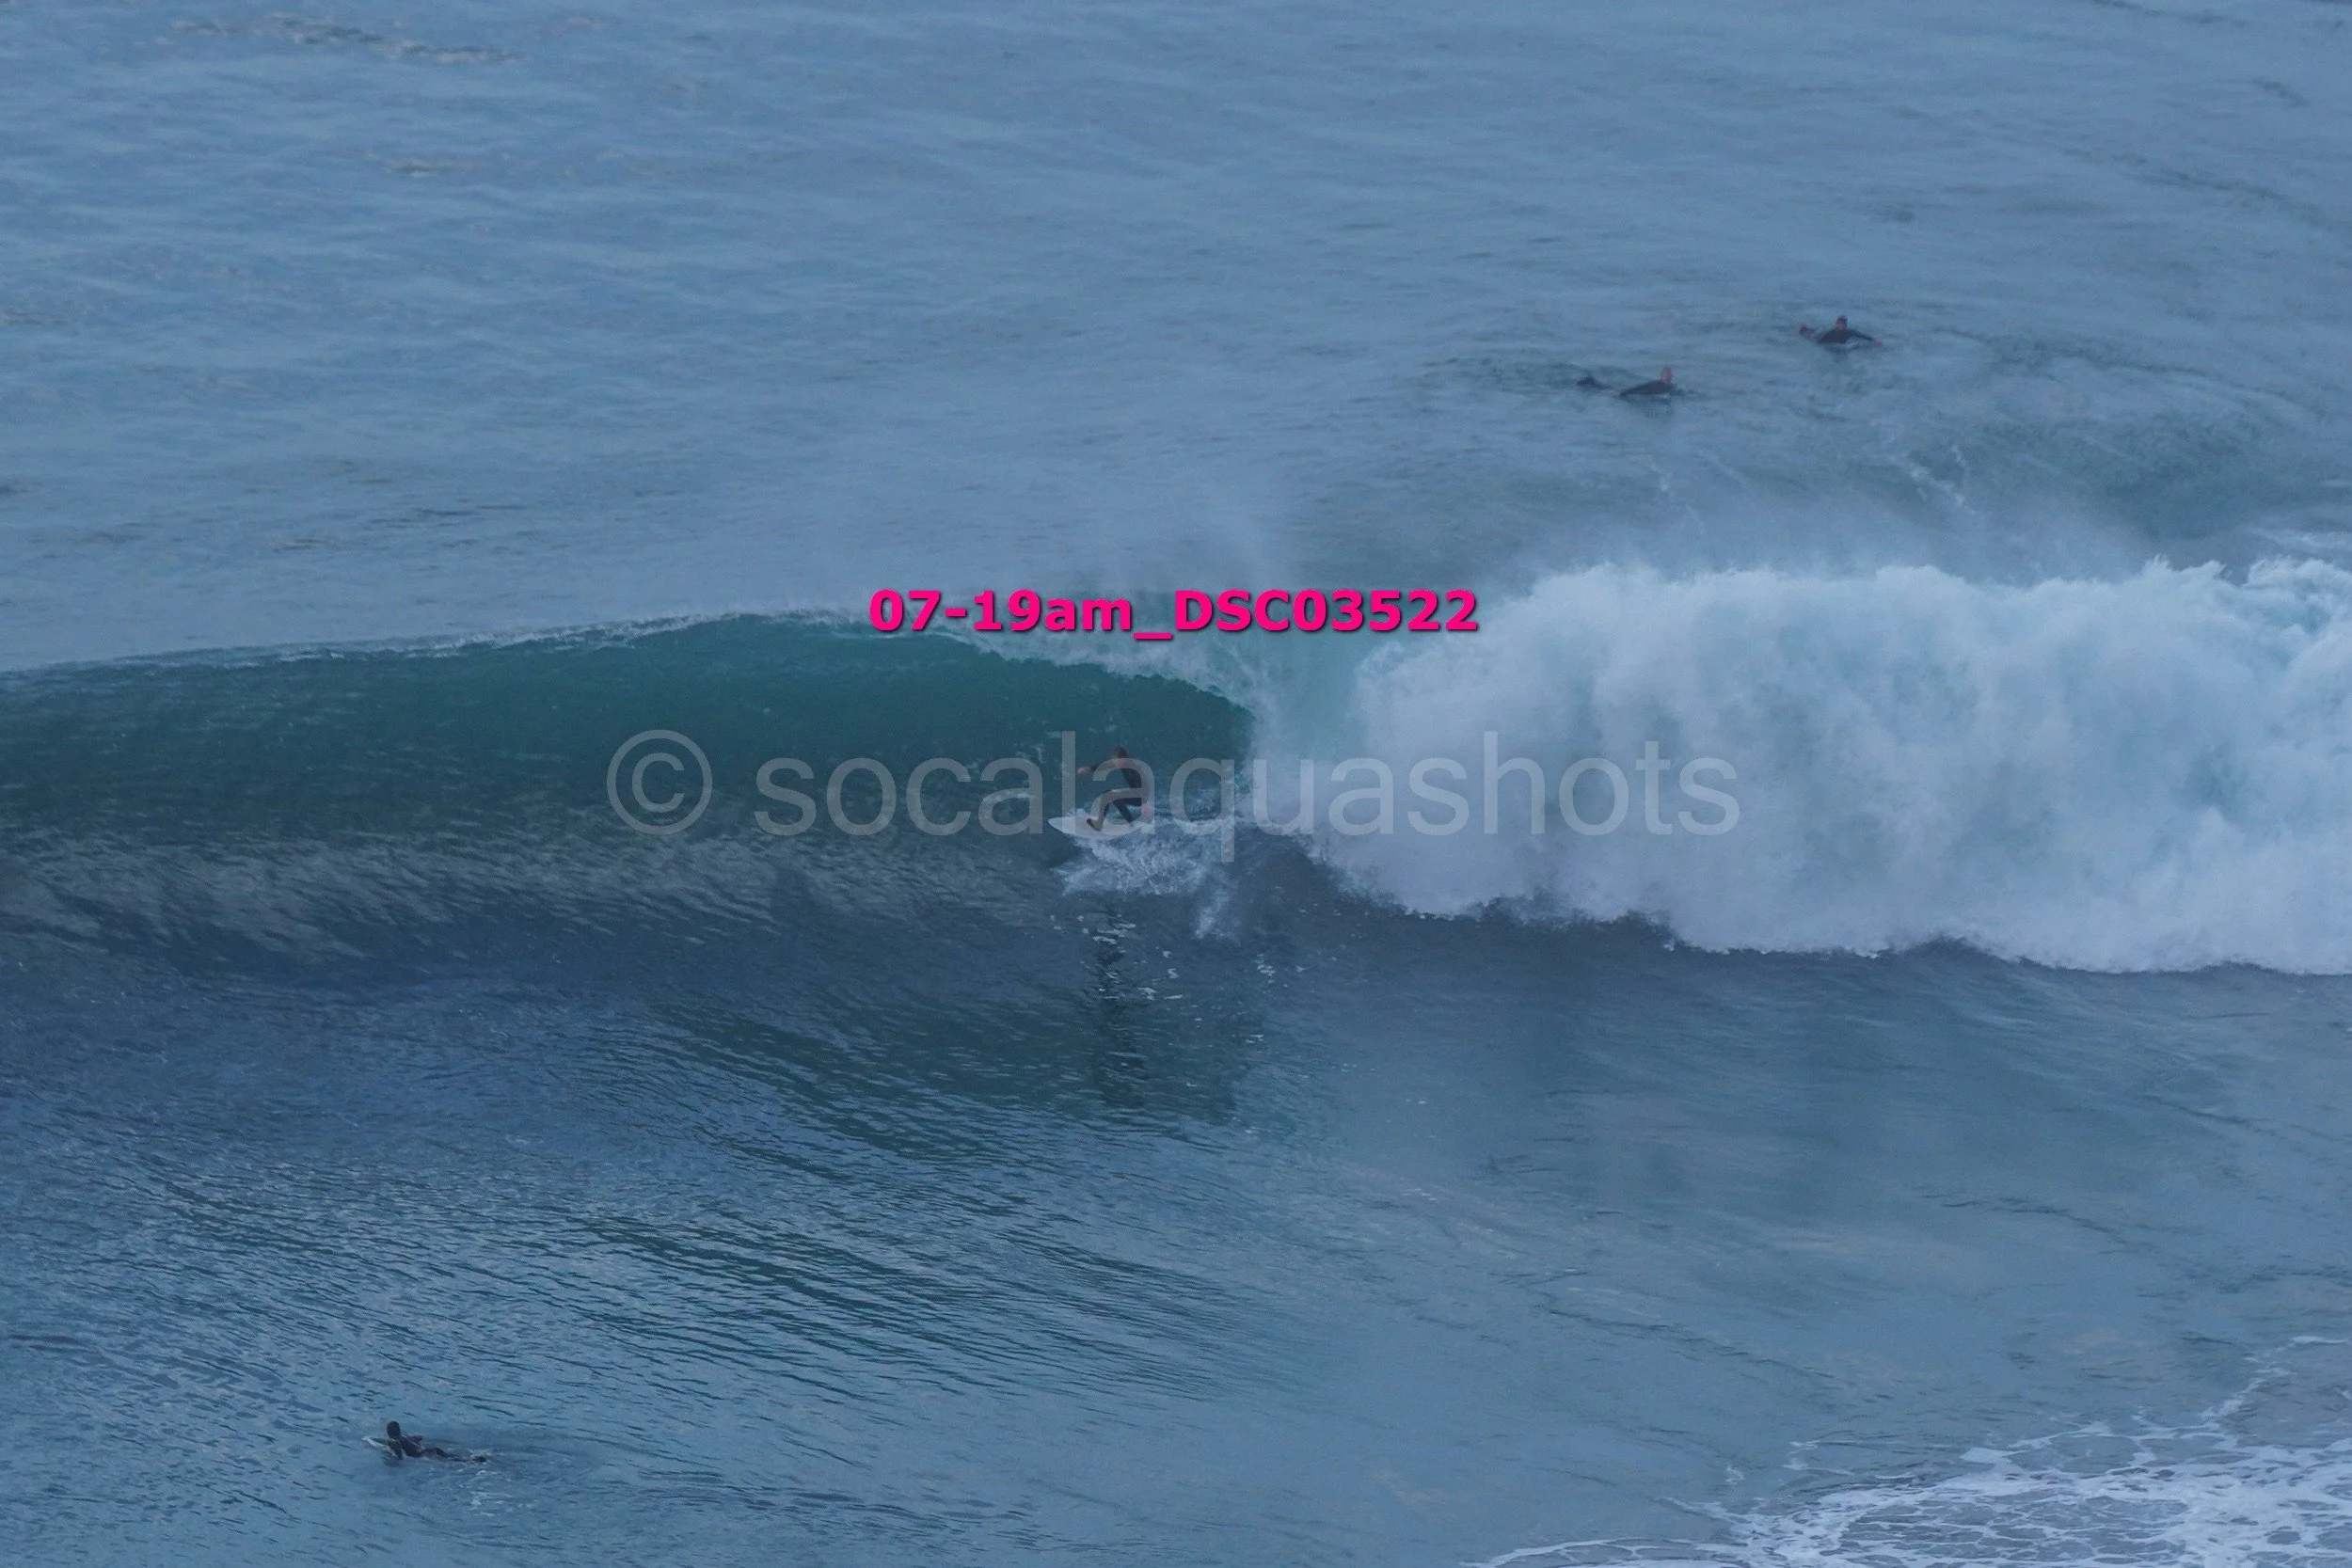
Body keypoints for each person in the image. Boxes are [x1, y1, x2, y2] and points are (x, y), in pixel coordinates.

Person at [1087, 746, 1146, 831]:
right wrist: (1089, 768)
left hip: (1141, 796)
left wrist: (1144, 804)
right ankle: (1129, 821)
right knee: (1111, 796)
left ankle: (1099, 824)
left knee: (1111, 796)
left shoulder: (1133, 767)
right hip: (1135, 792)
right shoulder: (1122, 763)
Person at [384, 1421, 483, 1462]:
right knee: (450, 1457)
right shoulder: (405, 1436)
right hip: (428, 1449)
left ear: (388, 1432)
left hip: (423, 1454)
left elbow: (398, 1451)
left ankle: (472, 1460)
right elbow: (419, 1437)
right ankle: (473, 1459)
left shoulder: (394, 1440)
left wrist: (397, 1456)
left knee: (450, 1461)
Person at [1800, 315, 1881, 347]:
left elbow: (1861, 335)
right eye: (1837, 324)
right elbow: (1818, 341)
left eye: (1841, 324)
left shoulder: (1849, 332)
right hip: (1823, 337)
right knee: (1812, 334)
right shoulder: (1831, 332)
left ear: (1845, 326)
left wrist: (1873, 340)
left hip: (1839, 345)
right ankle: (1803, 328)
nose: (1838, 326)